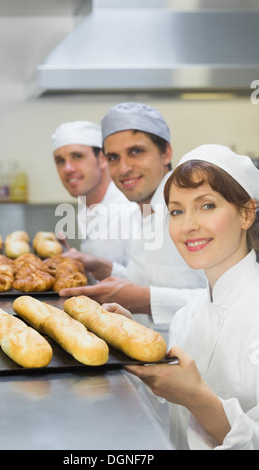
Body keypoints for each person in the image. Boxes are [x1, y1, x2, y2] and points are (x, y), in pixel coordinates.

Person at [117, 144, 259, 450]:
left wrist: (196, 396)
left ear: (247, 213)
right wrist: (131, 345)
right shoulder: (188, 315)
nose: (188, 226)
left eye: (207, 205)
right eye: (177, 211)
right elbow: (175, 425)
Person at [59, 103, 206, 325]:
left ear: (166, 152)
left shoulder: (196, 212)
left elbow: (229, 300)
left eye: (136, 152)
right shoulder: (141, 211)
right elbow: (150, 280)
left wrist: (147, 300)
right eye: (113, 158)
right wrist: (107, 269)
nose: (124, 168)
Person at [52, 120, 136, 268]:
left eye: (77, 156)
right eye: (60, 161)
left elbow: (144, 282)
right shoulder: (86, 209)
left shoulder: (129, 210)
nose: (67, 168)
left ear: (103, 159)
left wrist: (105, 269)